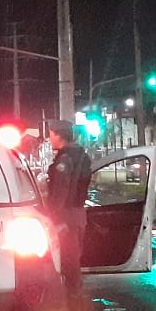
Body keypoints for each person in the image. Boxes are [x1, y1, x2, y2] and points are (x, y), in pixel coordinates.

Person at [45, 120, 92, 300]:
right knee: (73, 259)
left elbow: (60, 192)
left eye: (51, 135)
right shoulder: (81, 155)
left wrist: (52, 217)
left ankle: (73, 301)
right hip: (78, 215)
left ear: (59, 135)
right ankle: (74, 295)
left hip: (66, 216)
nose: (49, 139)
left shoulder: (65, 159)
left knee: (68, 260)